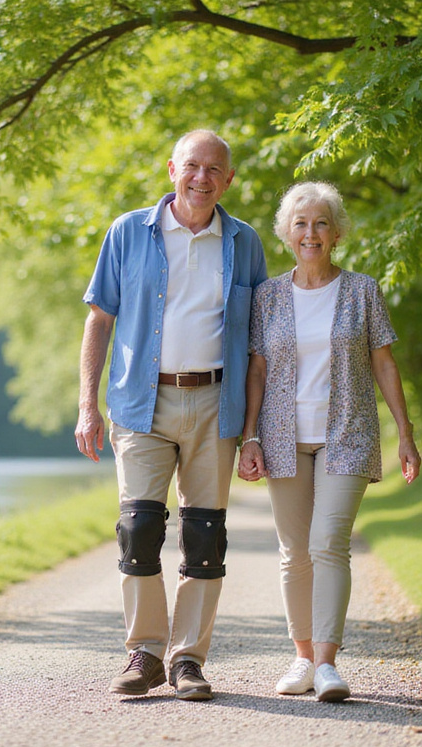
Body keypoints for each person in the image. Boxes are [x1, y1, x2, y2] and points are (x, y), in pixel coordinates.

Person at [76, 130, 268, 701]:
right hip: (141, 400)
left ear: (228, 180)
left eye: (214, 169)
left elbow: (260, 344)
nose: (201, 177)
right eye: (192, 166)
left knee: (204, 536)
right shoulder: (126, 233)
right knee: (139, 529)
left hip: (216, 402)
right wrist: (88, 404)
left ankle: (187, 660)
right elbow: (98, 321)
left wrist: (254, 427)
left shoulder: (244, 242)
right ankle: (145, 653)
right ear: (171, 170)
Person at [237, 180, 420, 703]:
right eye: (300, 223)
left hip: (348, 433)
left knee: (327, 544)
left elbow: (384, 362)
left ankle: (327, 664)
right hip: (281, 436)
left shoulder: (362, 290)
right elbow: (258, 369)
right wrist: (249, 437)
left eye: (320, 223)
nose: (310, 233)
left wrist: (405, 433)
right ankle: (300, 658)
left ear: (336, 233)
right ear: (286, 233)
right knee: (294, 552)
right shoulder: (268, 296)